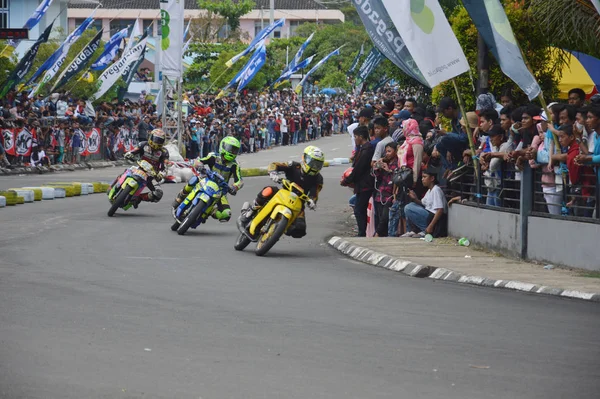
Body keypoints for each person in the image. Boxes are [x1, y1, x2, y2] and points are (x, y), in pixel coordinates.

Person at [238, 146, 324, 238]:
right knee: (268, 190)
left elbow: (314, 194)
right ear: (304, 158)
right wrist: (273, 172)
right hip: (283, 193)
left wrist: (312, 202)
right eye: (312, 162)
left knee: (300, 229)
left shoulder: (318, 179)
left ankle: (279, 228)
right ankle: (250, 212)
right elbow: (275, 165)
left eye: (317, 164)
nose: (314, 166)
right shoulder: (294, 165)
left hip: (298, 203)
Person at [172, 136, 243, 222]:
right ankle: (181, 197)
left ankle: (211, 211)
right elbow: (200, 161)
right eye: (231, 149)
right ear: (223, 146)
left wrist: (234, 187)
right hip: (207, 179)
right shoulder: (213, 156)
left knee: (226, 214)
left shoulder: (235, 165)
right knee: (194, 179)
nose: (232, 152)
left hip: (220, 190)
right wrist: (199, 165)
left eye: (235, 150)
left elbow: (239, 180)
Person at [342, 126, 375, 237]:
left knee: (359, 210)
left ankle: (362, 233)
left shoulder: (367, 150)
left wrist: (347, 180)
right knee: (360, 209)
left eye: (355, 136)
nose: (355, 139)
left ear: (361, 137)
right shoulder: (362, 148)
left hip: (365, 184)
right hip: (362, 184)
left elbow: (358, 169)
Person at [123, 128, 169, 206]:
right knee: (125, 172)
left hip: (151, 175)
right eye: (155, 139)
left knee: (158, 193)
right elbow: (134, 151)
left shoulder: (164, 152)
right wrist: (129, 154)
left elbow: (166, 166)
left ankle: (139, 197)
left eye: (159, 140)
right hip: (139, 168)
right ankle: (115, 185)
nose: (156, 142)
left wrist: (161, 174)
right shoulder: (143, 144)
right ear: (150, 137)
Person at [402, 166, 448, 238]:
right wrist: (415, 198)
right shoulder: (429, 190)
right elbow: (423, 203)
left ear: (432, 178)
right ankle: (414, 230)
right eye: (422, 177)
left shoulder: (436, 190)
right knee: (411, 204)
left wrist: (430, 227)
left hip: (436, 220)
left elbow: (440, 210)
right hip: (429, 216)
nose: (422, 179)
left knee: (408, 208)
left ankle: (424, 230)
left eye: (425, 177)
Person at [373, 142, 399, 237]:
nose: (387, 154)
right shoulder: (385, 162)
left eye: (389, 151)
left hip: (390, 194)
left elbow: (397, 178)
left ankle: (377, 234)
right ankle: (380, 235)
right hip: (380, 194)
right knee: (380, 217)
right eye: (386, 151)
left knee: (385, 218)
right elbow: (375, 176)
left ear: (395, 152)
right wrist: (377, 167)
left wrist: (389, 170)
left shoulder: (398, 163)